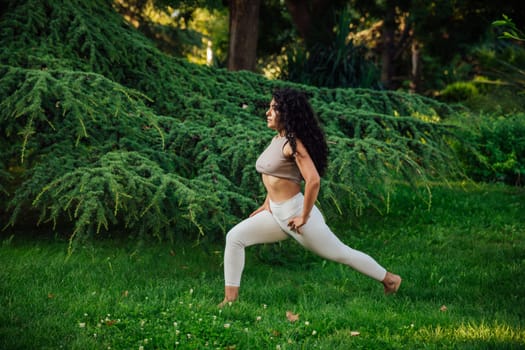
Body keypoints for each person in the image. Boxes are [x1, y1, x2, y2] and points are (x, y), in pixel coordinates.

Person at [219, 88, 401, 307]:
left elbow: (313, 180)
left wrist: (304, 216)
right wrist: (266, 204)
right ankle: (230, 300)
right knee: (235, 238)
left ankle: (390, 280)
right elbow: (274, 177)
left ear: (287, 113)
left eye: (274, 109)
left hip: (295, 215)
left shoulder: (293, 144)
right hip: (276, 213)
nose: (268, 113)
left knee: (341, 253)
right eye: (269, 108)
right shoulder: (278, 139)